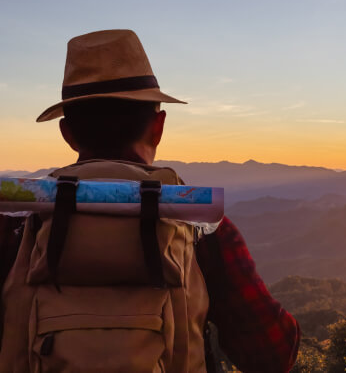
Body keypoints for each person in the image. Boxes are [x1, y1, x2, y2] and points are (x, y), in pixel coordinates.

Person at [0, 29, 300, 372]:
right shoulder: (199, 226)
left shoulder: (16, 222)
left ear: (67, 133)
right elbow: (273, 355)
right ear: (158, 127)